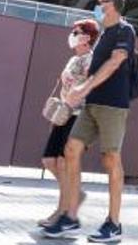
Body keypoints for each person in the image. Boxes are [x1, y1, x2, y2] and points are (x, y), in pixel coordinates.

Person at [43, 0, 137, 243]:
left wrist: (85, 87)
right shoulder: (104, 34)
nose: (97, 8)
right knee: (71, 149)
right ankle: (71, 218)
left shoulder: (124, 30)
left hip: (113, 105)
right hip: (91, 105)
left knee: (110, 158)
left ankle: (114, 223)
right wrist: (80, 92)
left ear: (113, 6)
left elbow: (116, 62)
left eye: (100, 4)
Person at [37, 18, 101, 229]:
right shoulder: (74, 59)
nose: (73, 34)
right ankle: (75, 195)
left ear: (88, 37)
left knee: (63, 163)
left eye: (77, 31)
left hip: (78, 116)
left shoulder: (91, 59)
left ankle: (63, 211)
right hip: (63, 115)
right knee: (49, 160)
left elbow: (91, 88)